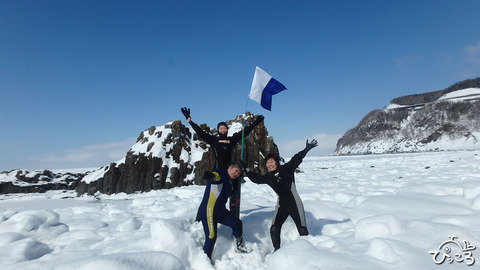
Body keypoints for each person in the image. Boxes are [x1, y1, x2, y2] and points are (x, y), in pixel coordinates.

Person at [181, 107, 264, 217]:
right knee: (210, 195)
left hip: (230, 173)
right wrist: (189, 120)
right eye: (220, 128)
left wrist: (255, 123)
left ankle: (232, 216)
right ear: (218, 130)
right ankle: (200, 217)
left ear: (227, 130)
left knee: (232, 194)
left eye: (224, 128)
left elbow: (243, 133)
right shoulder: (214, 140)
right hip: (217, 172)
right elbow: (200, 133)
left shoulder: (231, 140)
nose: (223, 130)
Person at [244, 139, 318, 251]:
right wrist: (247, 169)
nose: (270, 164)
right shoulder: (269, 177)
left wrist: (307, 148)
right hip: (282, 205)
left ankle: (308, 253)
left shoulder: (287, 169)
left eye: (272, 162)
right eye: (268, 163)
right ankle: (277, 251)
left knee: (302, 230)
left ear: (277, 162)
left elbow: (297, 158)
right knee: (274, 228)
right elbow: (256, 179)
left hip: (295, 203)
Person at [200, 163, 250, 259]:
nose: (236, 174)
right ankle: (205, 260)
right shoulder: (221, 173)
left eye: (239, 173)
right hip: (209, 211)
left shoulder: (229, 182)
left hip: (220, 211)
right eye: (235, 171)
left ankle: (239, 246)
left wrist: (235, 187)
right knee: (211, 236)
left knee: (237, 224)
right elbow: (215, 177)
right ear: (229, 168)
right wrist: (210, 176)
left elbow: (229, 193)